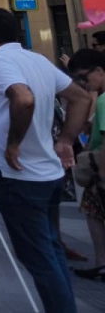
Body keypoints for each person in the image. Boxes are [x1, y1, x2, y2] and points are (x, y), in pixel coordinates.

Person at [0, 7, 92, 313]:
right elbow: (80, 97)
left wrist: (13, 144)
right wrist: (65, 140)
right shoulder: (37, 59)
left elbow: (23, 98)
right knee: (50, 250)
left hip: (21, 179)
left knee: (39, 259)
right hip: (46, 175)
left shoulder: (0, 60)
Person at [67, 48, 105, 280]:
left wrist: (101, 178)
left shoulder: (102, 100)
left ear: (99, 71)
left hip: (101, 171)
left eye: (84, 76)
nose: (83, 82)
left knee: (94, 213)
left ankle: (101, 262)